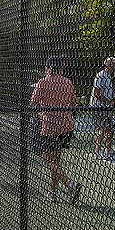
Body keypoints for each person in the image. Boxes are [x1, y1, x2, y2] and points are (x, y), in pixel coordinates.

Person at [32, 57, 82, 204]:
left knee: (48, 158)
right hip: (66, 125)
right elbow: (73, 102)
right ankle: (52, 192)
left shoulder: (43, 82)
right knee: (56, 161)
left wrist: (40, 110)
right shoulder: (68, 82)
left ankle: (70, 184)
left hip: (49, 126)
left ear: (47, 68)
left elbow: (33, 102)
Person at [91, 57, 115, 159]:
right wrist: (108, 102)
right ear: (108, 65)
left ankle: (108, 150)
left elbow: (106, 92)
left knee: (110, 128)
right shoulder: (101, 75)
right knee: (104, 128)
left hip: (104, 106)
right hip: (98, 106)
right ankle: (97, 151)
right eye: (114, 64)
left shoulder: (108, 76)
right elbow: (96, 93)